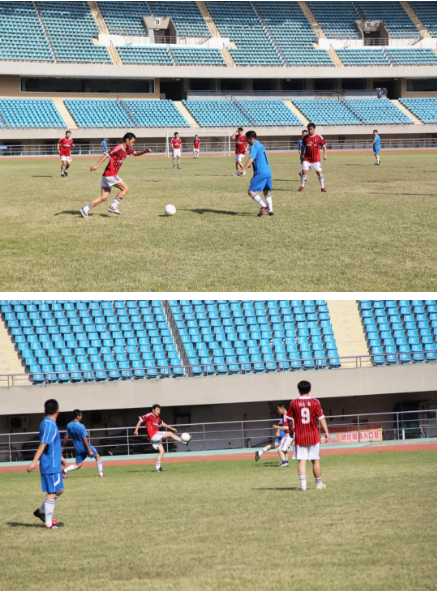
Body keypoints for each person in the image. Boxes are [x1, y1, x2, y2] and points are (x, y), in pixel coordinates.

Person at [80, 132, 152, 218]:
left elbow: (135, 153)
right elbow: (106, 155)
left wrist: (145, 151)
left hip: (106, 175)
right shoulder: (118, 148)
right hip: (110, 174)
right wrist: (97, 165)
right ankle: (113, 207)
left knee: (104, 197)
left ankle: (85, 209)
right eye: (132, 142)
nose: (132, 144)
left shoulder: (126, 149)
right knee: (125, 189)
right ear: (127, 140)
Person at [27, 399, 64, 529]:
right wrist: (34, 462)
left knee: (59, 490)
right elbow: (43, 445)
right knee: (52, 492)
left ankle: (41, 511)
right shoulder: (49, 425)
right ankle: (48, 524)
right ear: (58, 411)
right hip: (50, 465)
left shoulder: (48, 423)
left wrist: (61, 458)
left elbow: (50, 445)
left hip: (54, 462)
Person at [287, 380, 330, 492]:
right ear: (310, 389)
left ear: (298, 390)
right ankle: (318, 484)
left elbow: (289, 419)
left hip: (300, 436)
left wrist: (291, 431)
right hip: (313, 436)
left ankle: (303, 486)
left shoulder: (294, 402)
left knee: (302, 461)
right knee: (315, 460)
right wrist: (326, 431)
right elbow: (321, 417)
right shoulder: (315, 402)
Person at [134, 404, 190, 472]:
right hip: (153, 434)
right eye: (157, 410)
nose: (158, 411)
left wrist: (171, 428)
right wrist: (136, 430)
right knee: (170, 433)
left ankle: (157, 468)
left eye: (159, 410)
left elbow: (163, 424)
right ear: (153, 410)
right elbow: (140, 420)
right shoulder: (149, 415)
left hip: (154, 437)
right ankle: (183, 441)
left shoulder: (158, 418)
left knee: (162, 451)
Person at [238, 130, 274, 217]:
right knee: (266, 192)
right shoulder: (261, 145)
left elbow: (251, 159)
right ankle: (271, 210)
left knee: (250, 191)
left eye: (247, 139)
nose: (246, 141)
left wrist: (243, 169)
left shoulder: (254, 146)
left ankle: (264, 206)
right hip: (268, 171)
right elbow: (257, 158)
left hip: (260, 172)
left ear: (251, 138)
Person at [62, 410, 105, 477]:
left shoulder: (69, 425)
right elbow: (84, 439)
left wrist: (63, 446)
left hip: (77, 448)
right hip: (84, 447)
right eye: (81, 415)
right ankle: (101, 473)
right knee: (97, 455)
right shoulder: (81, 426)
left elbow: (66, 437)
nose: (81, 417)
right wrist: (89, 450)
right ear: (77, 416)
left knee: (78, 465)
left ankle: (64, 471)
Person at [299, 123, 327, 193]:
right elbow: (303, 147)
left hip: (316, 159)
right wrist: (301, 155)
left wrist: (325, 155)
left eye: (311, 129)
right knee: (304, 171)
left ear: (314, 129)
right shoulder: (305, 137)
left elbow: (324, 146)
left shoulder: (319, 137)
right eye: (309, 129)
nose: (310, 130)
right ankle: (302, 186)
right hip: (307, 158)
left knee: (319, 172)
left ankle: (322, 187)